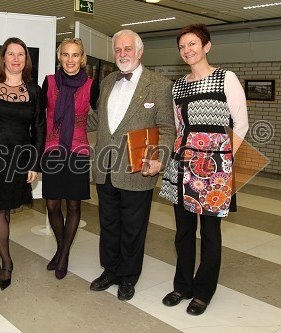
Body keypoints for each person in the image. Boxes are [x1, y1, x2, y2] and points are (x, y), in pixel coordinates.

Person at [159, 24, 249, 315]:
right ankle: (182, 285)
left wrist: (222, 162)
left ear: (207, 46)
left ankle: (203, 291)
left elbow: (241, 124)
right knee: (183, 231)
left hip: (215, 167)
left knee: (210, 232)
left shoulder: (227, 78)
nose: (188, 50)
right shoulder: (178, 86)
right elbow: (178, 126)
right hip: (182, 163)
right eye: (183, 46)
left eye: (193, 44)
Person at [87, 29, 176, 301]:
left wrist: (159, 158)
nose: (122, 54)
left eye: (128, 49)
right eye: (118, 50)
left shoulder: (159, 84)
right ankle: (110, 270)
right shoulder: (108, 80)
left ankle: (128, 277)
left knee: (133, 228)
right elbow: (97, 121)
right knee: (109, 223)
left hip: (139, 168)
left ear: (139, 51)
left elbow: (167, 128)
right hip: (106, 167)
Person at [0, 37, 46, 290]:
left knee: (3, 210)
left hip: (17, 159)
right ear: (3, 57)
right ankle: (7, 262)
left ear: (26, 60)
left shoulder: (35, 90)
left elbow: (39, 129)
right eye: (11, 54)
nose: (16, 59)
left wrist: (35, 164)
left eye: (21, 55)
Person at [40, 38, 99, 279]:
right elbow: (39, 117)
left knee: (74, 205)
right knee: (52, 205)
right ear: (59, 57)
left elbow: (103, 115)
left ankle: (63, 255)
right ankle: (61, 248)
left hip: (78, 151)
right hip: (53, 149)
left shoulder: (92, 86)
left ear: (82, 58)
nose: (70, 60)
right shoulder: (49, 82)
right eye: (66, 55)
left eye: (75, 55)